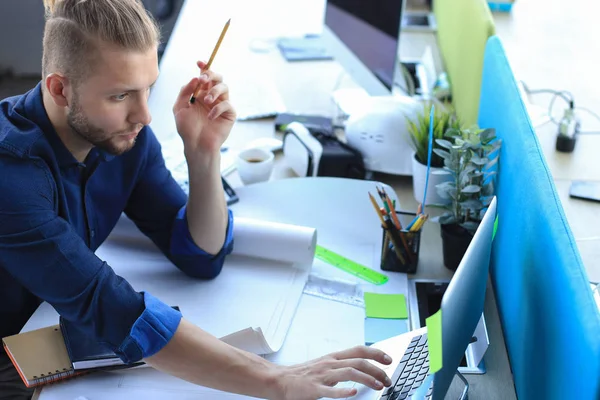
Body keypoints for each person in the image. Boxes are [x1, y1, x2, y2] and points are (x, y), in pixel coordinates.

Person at [0, 1, 394, 399]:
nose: (145, 115)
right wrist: (279, 380)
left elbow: (199, 254)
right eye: (120, 96)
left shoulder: (121, 137)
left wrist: (203, 152)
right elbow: (112, 309)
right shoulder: (10, 177)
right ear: (59, 88)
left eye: (148, 88)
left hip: (46, 330)